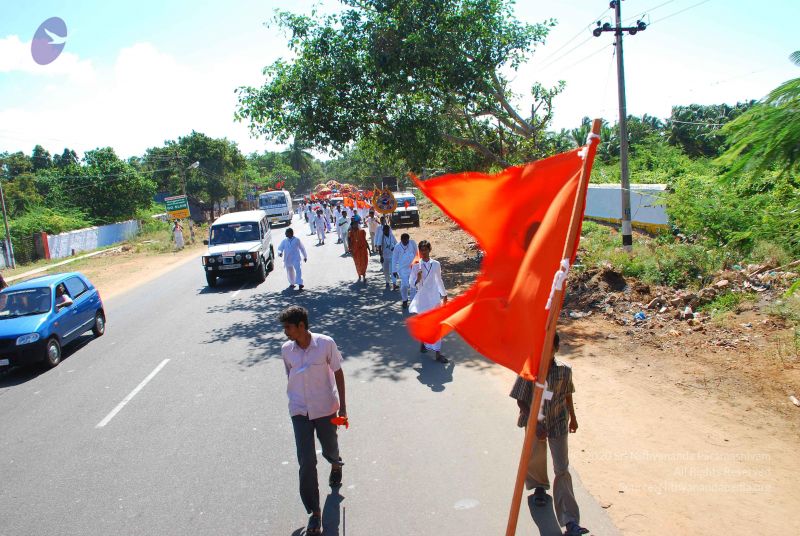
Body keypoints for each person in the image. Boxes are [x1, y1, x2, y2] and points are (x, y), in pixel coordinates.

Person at [509, 332, 588, 536]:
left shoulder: (564, 371)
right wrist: (536, 422)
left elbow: (567, 394)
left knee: (562, 468)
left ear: (556, 349)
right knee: (535, 458)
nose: (546, 353)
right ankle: (539, 488)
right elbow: (520, 400)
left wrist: (573, 417)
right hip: (536, 424)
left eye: (550, 349)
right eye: (543, 349)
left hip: (559, 423)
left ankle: (570, 521)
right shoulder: (530, 370)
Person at [279, 306, 347, 536]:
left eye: (288, 327)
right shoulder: (286, 350)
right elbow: (290, 376)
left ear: (301, 326)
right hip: (299, 410)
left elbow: (338, 372)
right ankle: (314, 512)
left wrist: (343, 408)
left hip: (325, 408)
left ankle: (336, 463)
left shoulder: (326, 343)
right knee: (306, 461)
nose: (285, 332)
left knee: (330, 447)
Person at [408, 240, 449, 363]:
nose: (423, 252)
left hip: (435, 298)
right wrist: (417, 278)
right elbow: (411, 283)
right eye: (421, 250)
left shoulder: (436, 264)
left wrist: (444, 294)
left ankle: (437, 353)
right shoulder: (416, 266)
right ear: (419, 252)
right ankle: (423, 342)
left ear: (429, 250)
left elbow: (439, 280)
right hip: (423, 299)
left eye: (425, 249)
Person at [391, 233, 418, 308]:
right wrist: (394, 270)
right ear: (401, 240)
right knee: (405, 285)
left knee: (413, 284)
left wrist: (418, 265)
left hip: (413, 267)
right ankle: (405, 300)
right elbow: (394, 258)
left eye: (407, 241)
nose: (405, 242)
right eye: (404, 241)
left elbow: (417, 253)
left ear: (408, 239)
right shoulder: (397, 246)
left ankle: (413, 301)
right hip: (402, 269)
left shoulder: (412, 243)